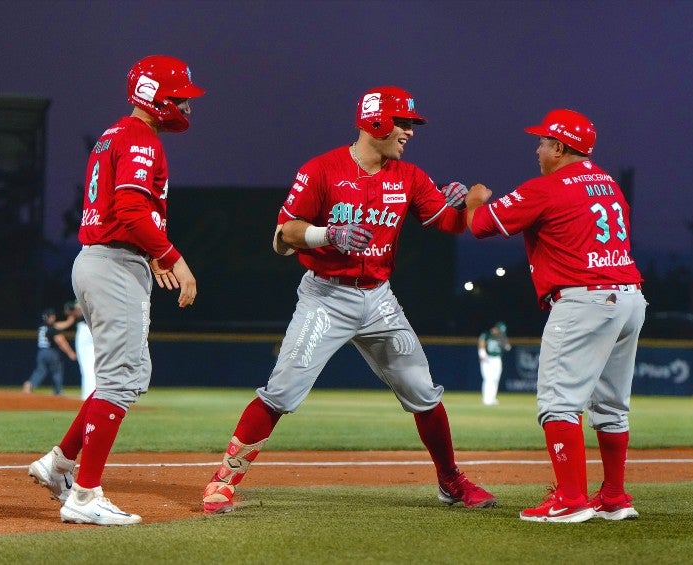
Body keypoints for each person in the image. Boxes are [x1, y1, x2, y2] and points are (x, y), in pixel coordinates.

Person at [201, 86, 496, 515]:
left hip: (379, 298)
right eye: (404, 122)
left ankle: (451, 482)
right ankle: (223, 481)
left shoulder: (409, 176)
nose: (410, 132)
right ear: (376, 121)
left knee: (423, 391)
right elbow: (284, 234)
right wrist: (327, 234)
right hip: (325, 296)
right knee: (280, 392)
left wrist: (466, 200)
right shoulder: (322, 169)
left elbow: (450, 224)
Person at [27, 55, 203, 526]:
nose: (186, 103)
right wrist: (172, 257)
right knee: (123, 379)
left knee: (126, 375)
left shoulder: (114, 134)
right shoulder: (140, 137)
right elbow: (128, 209)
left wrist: (149, 254)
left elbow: (117, 210)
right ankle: (84, 496)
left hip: (103, 260)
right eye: (180, 95)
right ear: (155, 97)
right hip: (112, 264)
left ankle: (59, 463)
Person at [465, 108, 646, 523]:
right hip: (629, 296)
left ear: (561, 147)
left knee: (558, 404)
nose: (538, 147)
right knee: (613, 407)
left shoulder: (548, 187)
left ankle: (570, 498)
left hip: (584, 299)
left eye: (544, 141)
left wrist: (475, 199)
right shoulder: (610, 185)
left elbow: (480, 226)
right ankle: (614, 497)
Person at [21, 308, 77, 396]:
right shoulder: (52, 328)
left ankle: (30, 384)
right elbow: (60, 341)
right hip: (51, 352)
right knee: (57, 371)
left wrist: (70, 320)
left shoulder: (42, 327)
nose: (54, 318)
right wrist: (70, 353)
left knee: (40, 370)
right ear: (50, 317)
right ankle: (58, 391)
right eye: (52, 316)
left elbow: (59, 325)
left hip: (41, 352)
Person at [64, 299, 96, 400]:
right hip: (97, 329)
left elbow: (77, 311)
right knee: (94, 364)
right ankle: (95, 394)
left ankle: (88, 395)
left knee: (87, 366)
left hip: (86, 329)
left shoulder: (85, 293)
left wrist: (71, 311)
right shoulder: (101, 294)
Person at [478, 321, 511, 405]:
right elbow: (481, 342)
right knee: (488, 379)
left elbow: (507, 347)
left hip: (497, 359)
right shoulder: (487, 334)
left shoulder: (501, 337)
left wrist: (504, 341)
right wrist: (482, 353)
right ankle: (486, 399)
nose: (500, 333)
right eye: (499, 331)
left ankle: (492, 398)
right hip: (487, 359)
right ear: (496, 329)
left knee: (496, 379)